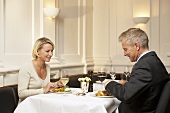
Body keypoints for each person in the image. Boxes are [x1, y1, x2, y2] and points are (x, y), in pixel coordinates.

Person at [105, 28, 169, 113]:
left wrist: (108, 83)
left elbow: (126, 94)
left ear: (137, 46)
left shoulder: (144, 66)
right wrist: (128, 84)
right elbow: (147, 88)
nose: (124, 54)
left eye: (125, 49)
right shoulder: (154, 61)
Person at [18, 37, 63, 102]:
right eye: (47, 51)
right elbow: (21, 93)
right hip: (27, 106)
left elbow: (45, 87)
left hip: (41, 103)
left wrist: (56, 84)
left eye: (52, 51)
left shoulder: (47, 67)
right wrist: (43, 90)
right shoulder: (26, 68)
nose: (51, 54)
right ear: (37, 52)